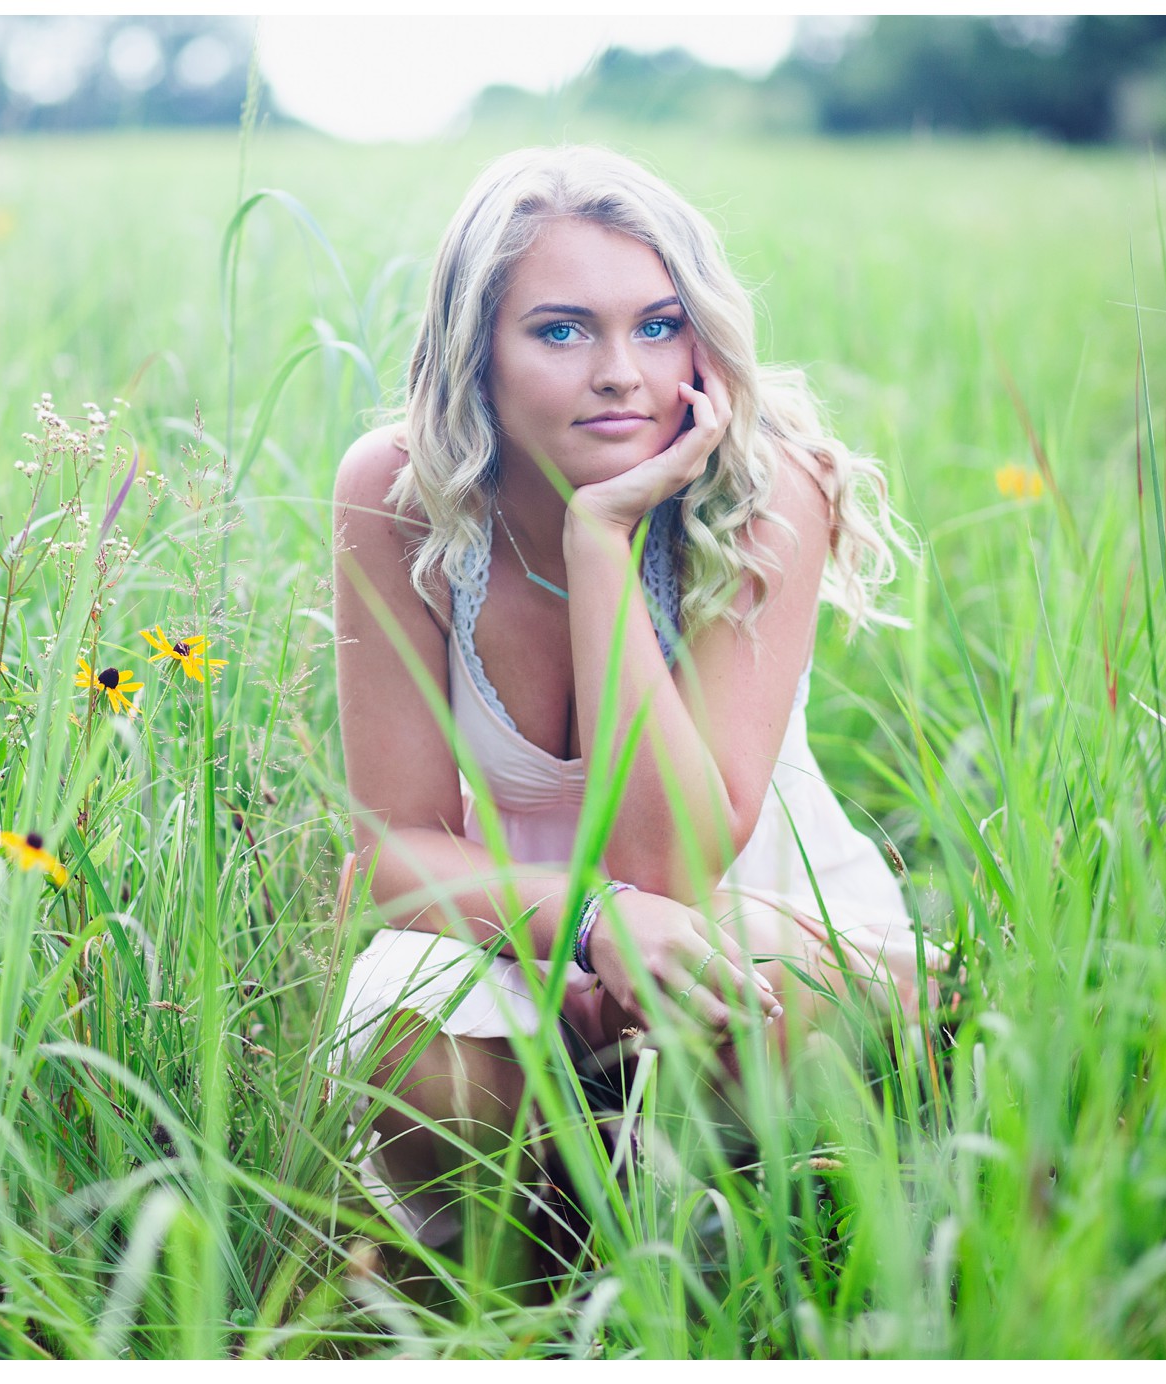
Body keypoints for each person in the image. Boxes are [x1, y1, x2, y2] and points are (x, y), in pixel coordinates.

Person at [328, 145, 937, 1261]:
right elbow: (387, 856)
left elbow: (674, 865)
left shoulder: (765, 488)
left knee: (747, 1024)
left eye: (657, 326)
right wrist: (589, 924)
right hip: (521, 924)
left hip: (747, 928)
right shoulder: (398, 492)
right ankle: (553, 1268)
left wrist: (601, 542)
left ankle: (699, 1246)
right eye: (560, 330)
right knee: (417, 1064)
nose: (622, 372)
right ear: (477, 353)